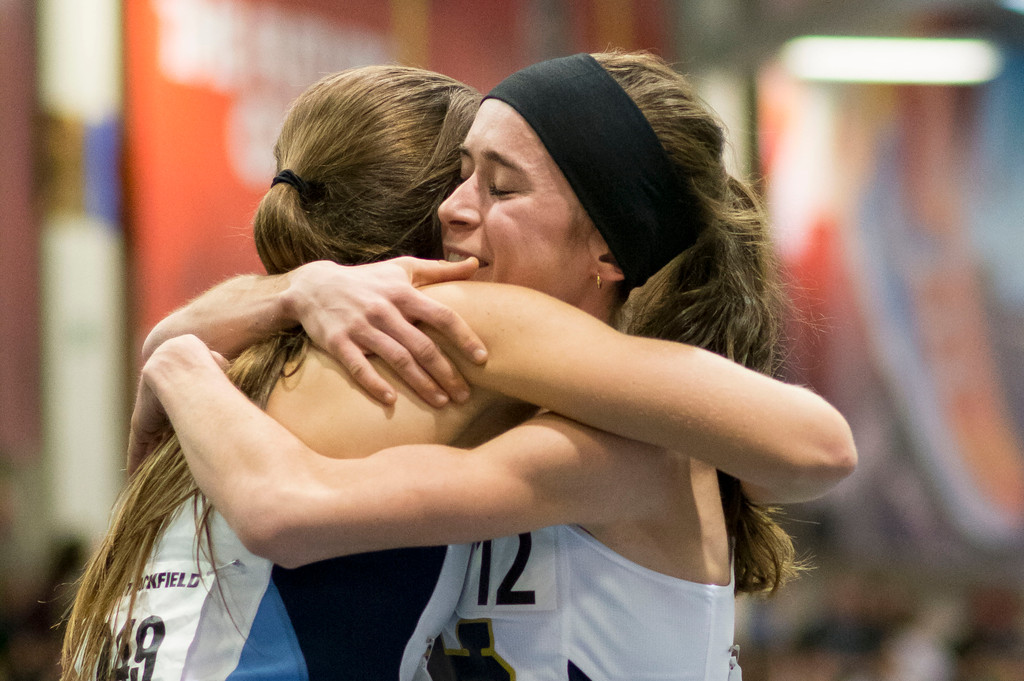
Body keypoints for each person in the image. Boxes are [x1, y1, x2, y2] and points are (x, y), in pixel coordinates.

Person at [134, 52, 856, 681]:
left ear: (609, 249)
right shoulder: (502, 399)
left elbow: (822, 445)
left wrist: (179, 359)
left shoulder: (631, 439)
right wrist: (296, 288)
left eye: (500, 187)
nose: (451, 208)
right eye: (459, 173)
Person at [61, 64, 491, 681]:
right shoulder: (430, 358)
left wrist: (272, 301)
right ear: (446, 217)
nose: (480, 208)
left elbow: (167, 337)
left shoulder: (232, 360)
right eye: (486, 183)